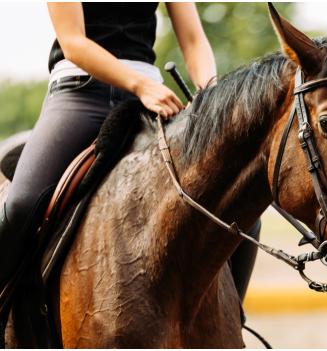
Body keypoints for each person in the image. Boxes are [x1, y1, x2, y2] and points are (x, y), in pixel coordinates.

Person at [0, 3, 256, 304]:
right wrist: (140, 85)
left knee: (241, 204)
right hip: (82, 92)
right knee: (21, 204)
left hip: (153, 98)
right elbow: (73, 42)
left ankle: (231, 319)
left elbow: (193, 40)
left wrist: (211, 97)